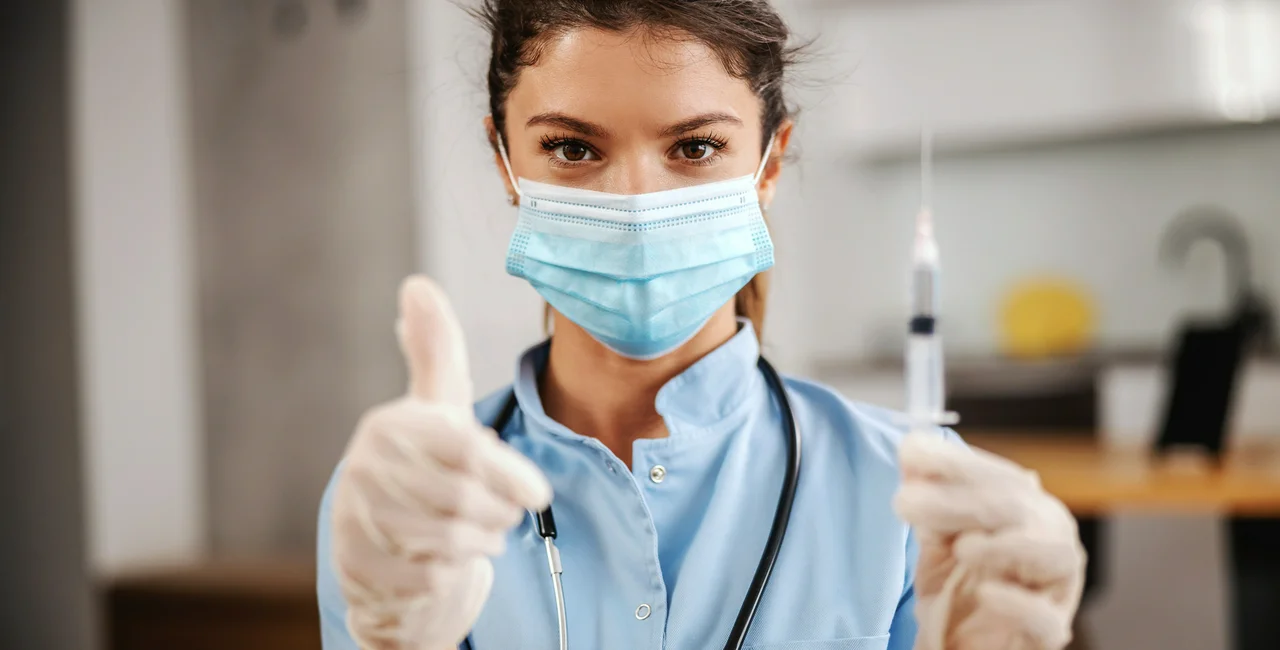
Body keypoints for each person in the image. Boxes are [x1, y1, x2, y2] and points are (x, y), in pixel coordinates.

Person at [316, 1, 1086, 649]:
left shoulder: (918, 497)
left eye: (696, 147)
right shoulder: (407, 505)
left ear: (770, 164)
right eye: (572, 147)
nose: (636, 206)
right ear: (504, 159)